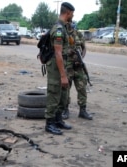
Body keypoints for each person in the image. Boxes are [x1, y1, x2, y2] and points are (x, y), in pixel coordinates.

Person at [45, 2, 75, 135]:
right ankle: (49, 123)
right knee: (54, 94)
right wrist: (63, 75)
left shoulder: (64, 28)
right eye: (72, 13)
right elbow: (58, 53)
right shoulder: (58, 29)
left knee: (63, 95)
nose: (73, 16)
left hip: (62, 66)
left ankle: (58, 120)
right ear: (68, 12)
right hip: (56, 68)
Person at [62, 21, 93, 120]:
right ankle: (65, 110)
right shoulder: (63, 34)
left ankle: (82, 110)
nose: (72, 26)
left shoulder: (78, 34)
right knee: (66, 89)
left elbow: (84, 48)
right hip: (68, 66)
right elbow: (59, 50)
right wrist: (68, 52)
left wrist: (81, 58)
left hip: (79, 66)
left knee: (82, 88)